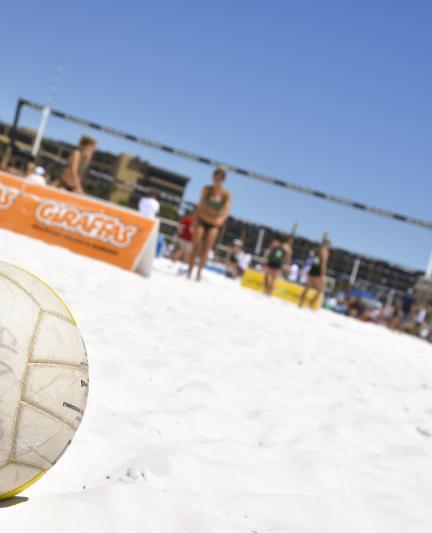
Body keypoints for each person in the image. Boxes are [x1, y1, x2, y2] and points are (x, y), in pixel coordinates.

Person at [188, 167, 231, 281]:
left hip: (213, 223)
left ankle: (199, 274)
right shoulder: (207, 189)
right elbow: (200, 205)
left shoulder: (226, 194)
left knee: (206, 249)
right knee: (196, 245)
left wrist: (221, 219)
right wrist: (193, 222)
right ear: (213, 177)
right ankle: (189, 272)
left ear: (223, 179)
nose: (217, 180)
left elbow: (226, 210)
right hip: (202, 219)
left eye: (220, 178)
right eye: (216, 177)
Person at [299, 238, 330, 308]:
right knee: (320, 290)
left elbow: (312, 260)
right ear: (327, 244)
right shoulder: (325, 252)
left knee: (306, 288)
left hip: (312, 269)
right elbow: (323, 264)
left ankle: (300, 303)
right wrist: (323, 274)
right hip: (318, 271)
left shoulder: (316, 250)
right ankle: (310, 304)